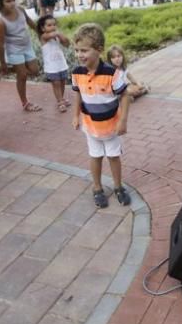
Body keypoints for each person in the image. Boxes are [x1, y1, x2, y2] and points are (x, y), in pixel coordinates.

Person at [71, 23, 131, 209]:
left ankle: (118, 186)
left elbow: (125, 96)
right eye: (77, 50)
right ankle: (97, 188)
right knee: (95, 156)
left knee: (113, 157)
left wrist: (123, 121)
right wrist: (75, 116)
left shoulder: (112, 74)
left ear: (99, 50)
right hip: (91, 126)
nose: (80, 54)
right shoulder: (77, 72)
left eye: (84, 50)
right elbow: (78, 94)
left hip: (111, 127)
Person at [0, 0, 43, 112]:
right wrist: (2, 62)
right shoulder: (1, 21)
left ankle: (7, 70)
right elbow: (0, 45)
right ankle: (25, 103)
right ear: (1, 3)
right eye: (8, 1)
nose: (12, 3)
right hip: (14, 50)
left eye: (13, 0)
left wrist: (41, 33)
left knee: (35, 71)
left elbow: (30, 23)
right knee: (22, 76)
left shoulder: (21, 10)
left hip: (27, 46)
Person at [37, 13, 71, 112]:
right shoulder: (44, 37)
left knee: (62, 82)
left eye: (54, 24)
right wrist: (58, 33)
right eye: (49, 25)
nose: (53, 27)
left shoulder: (57, 37)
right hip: (51, 67)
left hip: (61, 65)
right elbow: (52, 34)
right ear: (42, 28)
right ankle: (60, 101)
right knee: (56, 83)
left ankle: (62, 98)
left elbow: (67, 43)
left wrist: (62, 38)